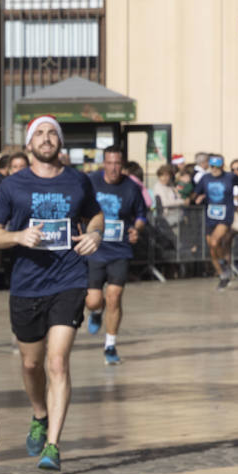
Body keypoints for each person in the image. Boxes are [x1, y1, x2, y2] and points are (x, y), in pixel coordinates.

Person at [0, 115, 102, 471]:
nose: (47, 138)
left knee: (57, 362)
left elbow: (95, 216)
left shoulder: (78, 181)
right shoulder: (12, 186)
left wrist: (96, 234)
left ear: (60, 143)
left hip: (69, 280)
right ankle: (39, 413)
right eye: (40, 134)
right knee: (32, 364)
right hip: (26, 285)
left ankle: (53, 445)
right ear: (29, 144)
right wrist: (18, 237)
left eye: (53, 133)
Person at [85, 147, 147, 364]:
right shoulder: (91, 181)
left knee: (114, 297)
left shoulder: (131, 187)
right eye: (109, 163)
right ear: (103, 163)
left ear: (123, 164)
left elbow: (141, 215)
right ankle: (95, 312)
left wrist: (136, 229)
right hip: (95, 249)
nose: (113, 168)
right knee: (93, 301)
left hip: (119, 250)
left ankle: (110, 345)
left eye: (117, 164)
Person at [192, 154, 238, 289]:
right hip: (210, 215)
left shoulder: (230, 177)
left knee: (215, 241)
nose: (214, 169)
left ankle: (224, 265)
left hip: (225, 214)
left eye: (217, 166)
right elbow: (196, 193)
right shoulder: (205, 178)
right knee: (212, 247)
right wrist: (194, 197)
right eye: (212, 166)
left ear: (222, 166)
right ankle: (223, 274)